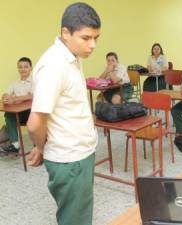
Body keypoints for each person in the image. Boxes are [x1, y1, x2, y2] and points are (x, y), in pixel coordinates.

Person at [26, 3, 100, 225]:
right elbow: (34, 123)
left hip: (78, 154)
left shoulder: (70, 56)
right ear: (65, 33)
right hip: (71, 159)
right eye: (86, 38)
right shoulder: (54, 66)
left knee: (79, 216)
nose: (93, 45)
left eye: (96, 37)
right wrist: (41, 147)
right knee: (75, 220)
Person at [1, 57, 33, 153]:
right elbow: (6, 93)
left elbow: (32, 96)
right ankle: (15, 145)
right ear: (18, 68)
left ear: (30, 68)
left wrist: (14, 99)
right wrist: (6, 97)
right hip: (19, 112)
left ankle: (37, 145)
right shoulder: (15, 83)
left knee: (31, 116)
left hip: (32, 112)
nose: (22, 69)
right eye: (20, 67)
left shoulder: (35, 81)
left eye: (25, 67)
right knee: (9, 114)